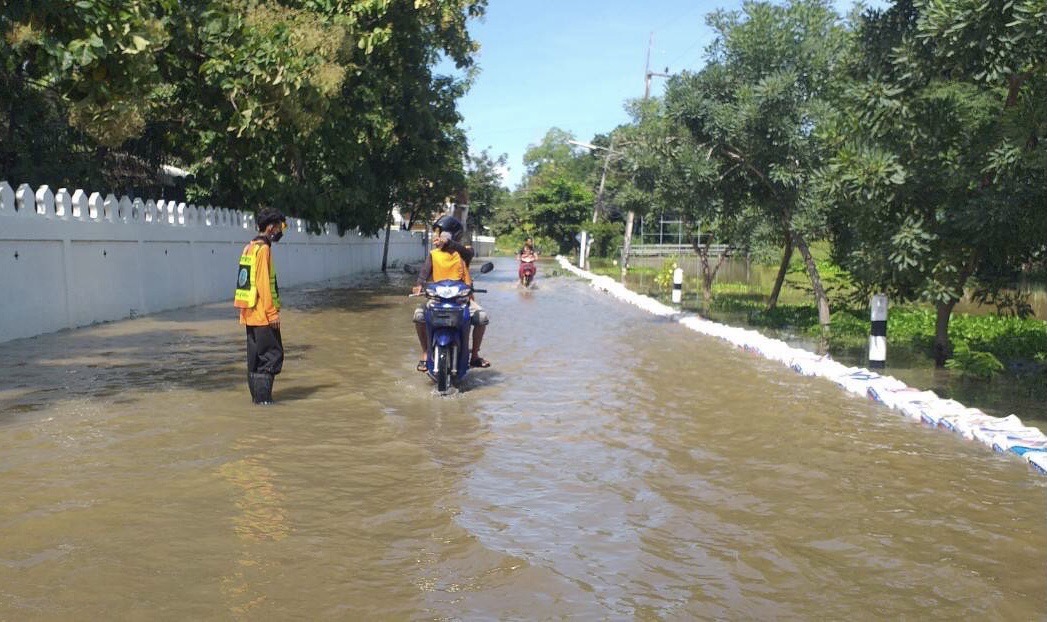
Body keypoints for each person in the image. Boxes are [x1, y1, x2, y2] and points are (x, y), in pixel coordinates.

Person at [412, 216, 491, 371]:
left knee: (482, 317)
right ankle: (426, 354)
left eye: (440, 233)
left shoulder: (464, 252)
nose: (437, 237)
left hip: (461, 300)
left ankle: (474, 356)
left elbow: (467, 254)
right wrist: (419, 285)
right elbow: (423, 274)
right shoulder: (434, 254)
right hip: (437, 299)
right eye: (436, 234)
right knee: (419, 316)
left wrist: (448, 243)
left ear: (451, 235)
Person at [234, 207, 288, 404]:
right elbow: (264, 284)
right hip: (263, 315)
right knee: (272, 357)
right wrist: (272, 314)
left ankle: (257, 402)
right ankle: (264, 403)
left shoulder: (249, 247)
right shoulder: (263, 249)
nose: (280, 231)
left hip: (250, 315)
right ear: (271, 227)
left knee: (255, 361)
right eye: (280, 227)